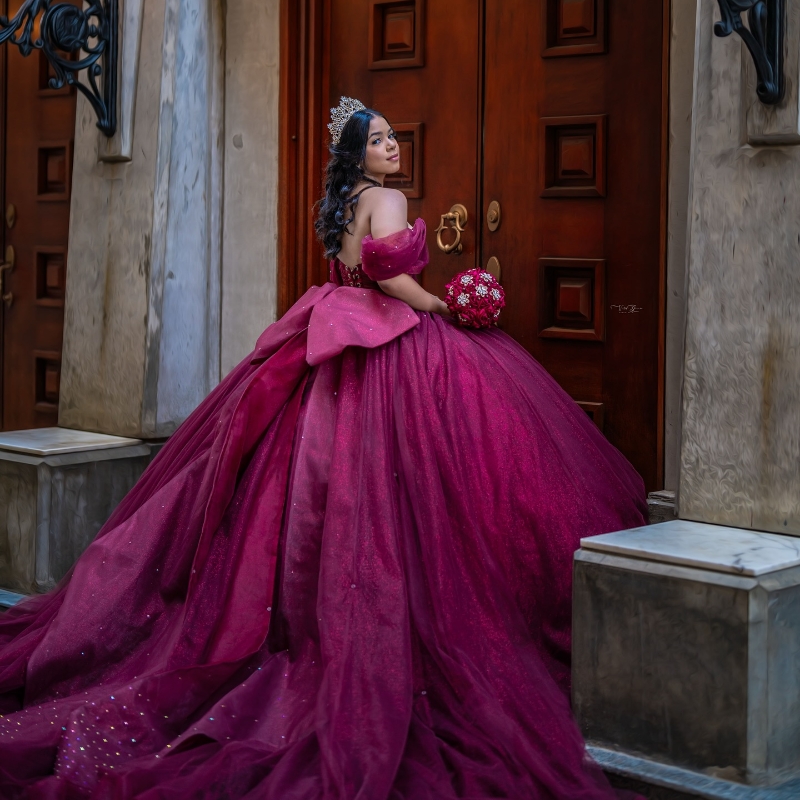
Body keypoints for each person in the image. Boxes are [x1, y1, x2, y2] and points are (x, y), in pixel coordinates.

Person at [0, 98, 647, 799]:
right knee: (425, 486)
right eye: (379, 140)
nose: (393, 146)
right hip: (389, 335)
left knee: (306, 483)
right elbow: (391, 280)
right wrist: (445, 308)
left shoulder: (345, 202)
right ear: (357, 153)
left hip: (334, 329)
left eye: (394, 136)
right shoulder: (390, 200)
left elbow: (355, 269)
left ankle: (292, 613)